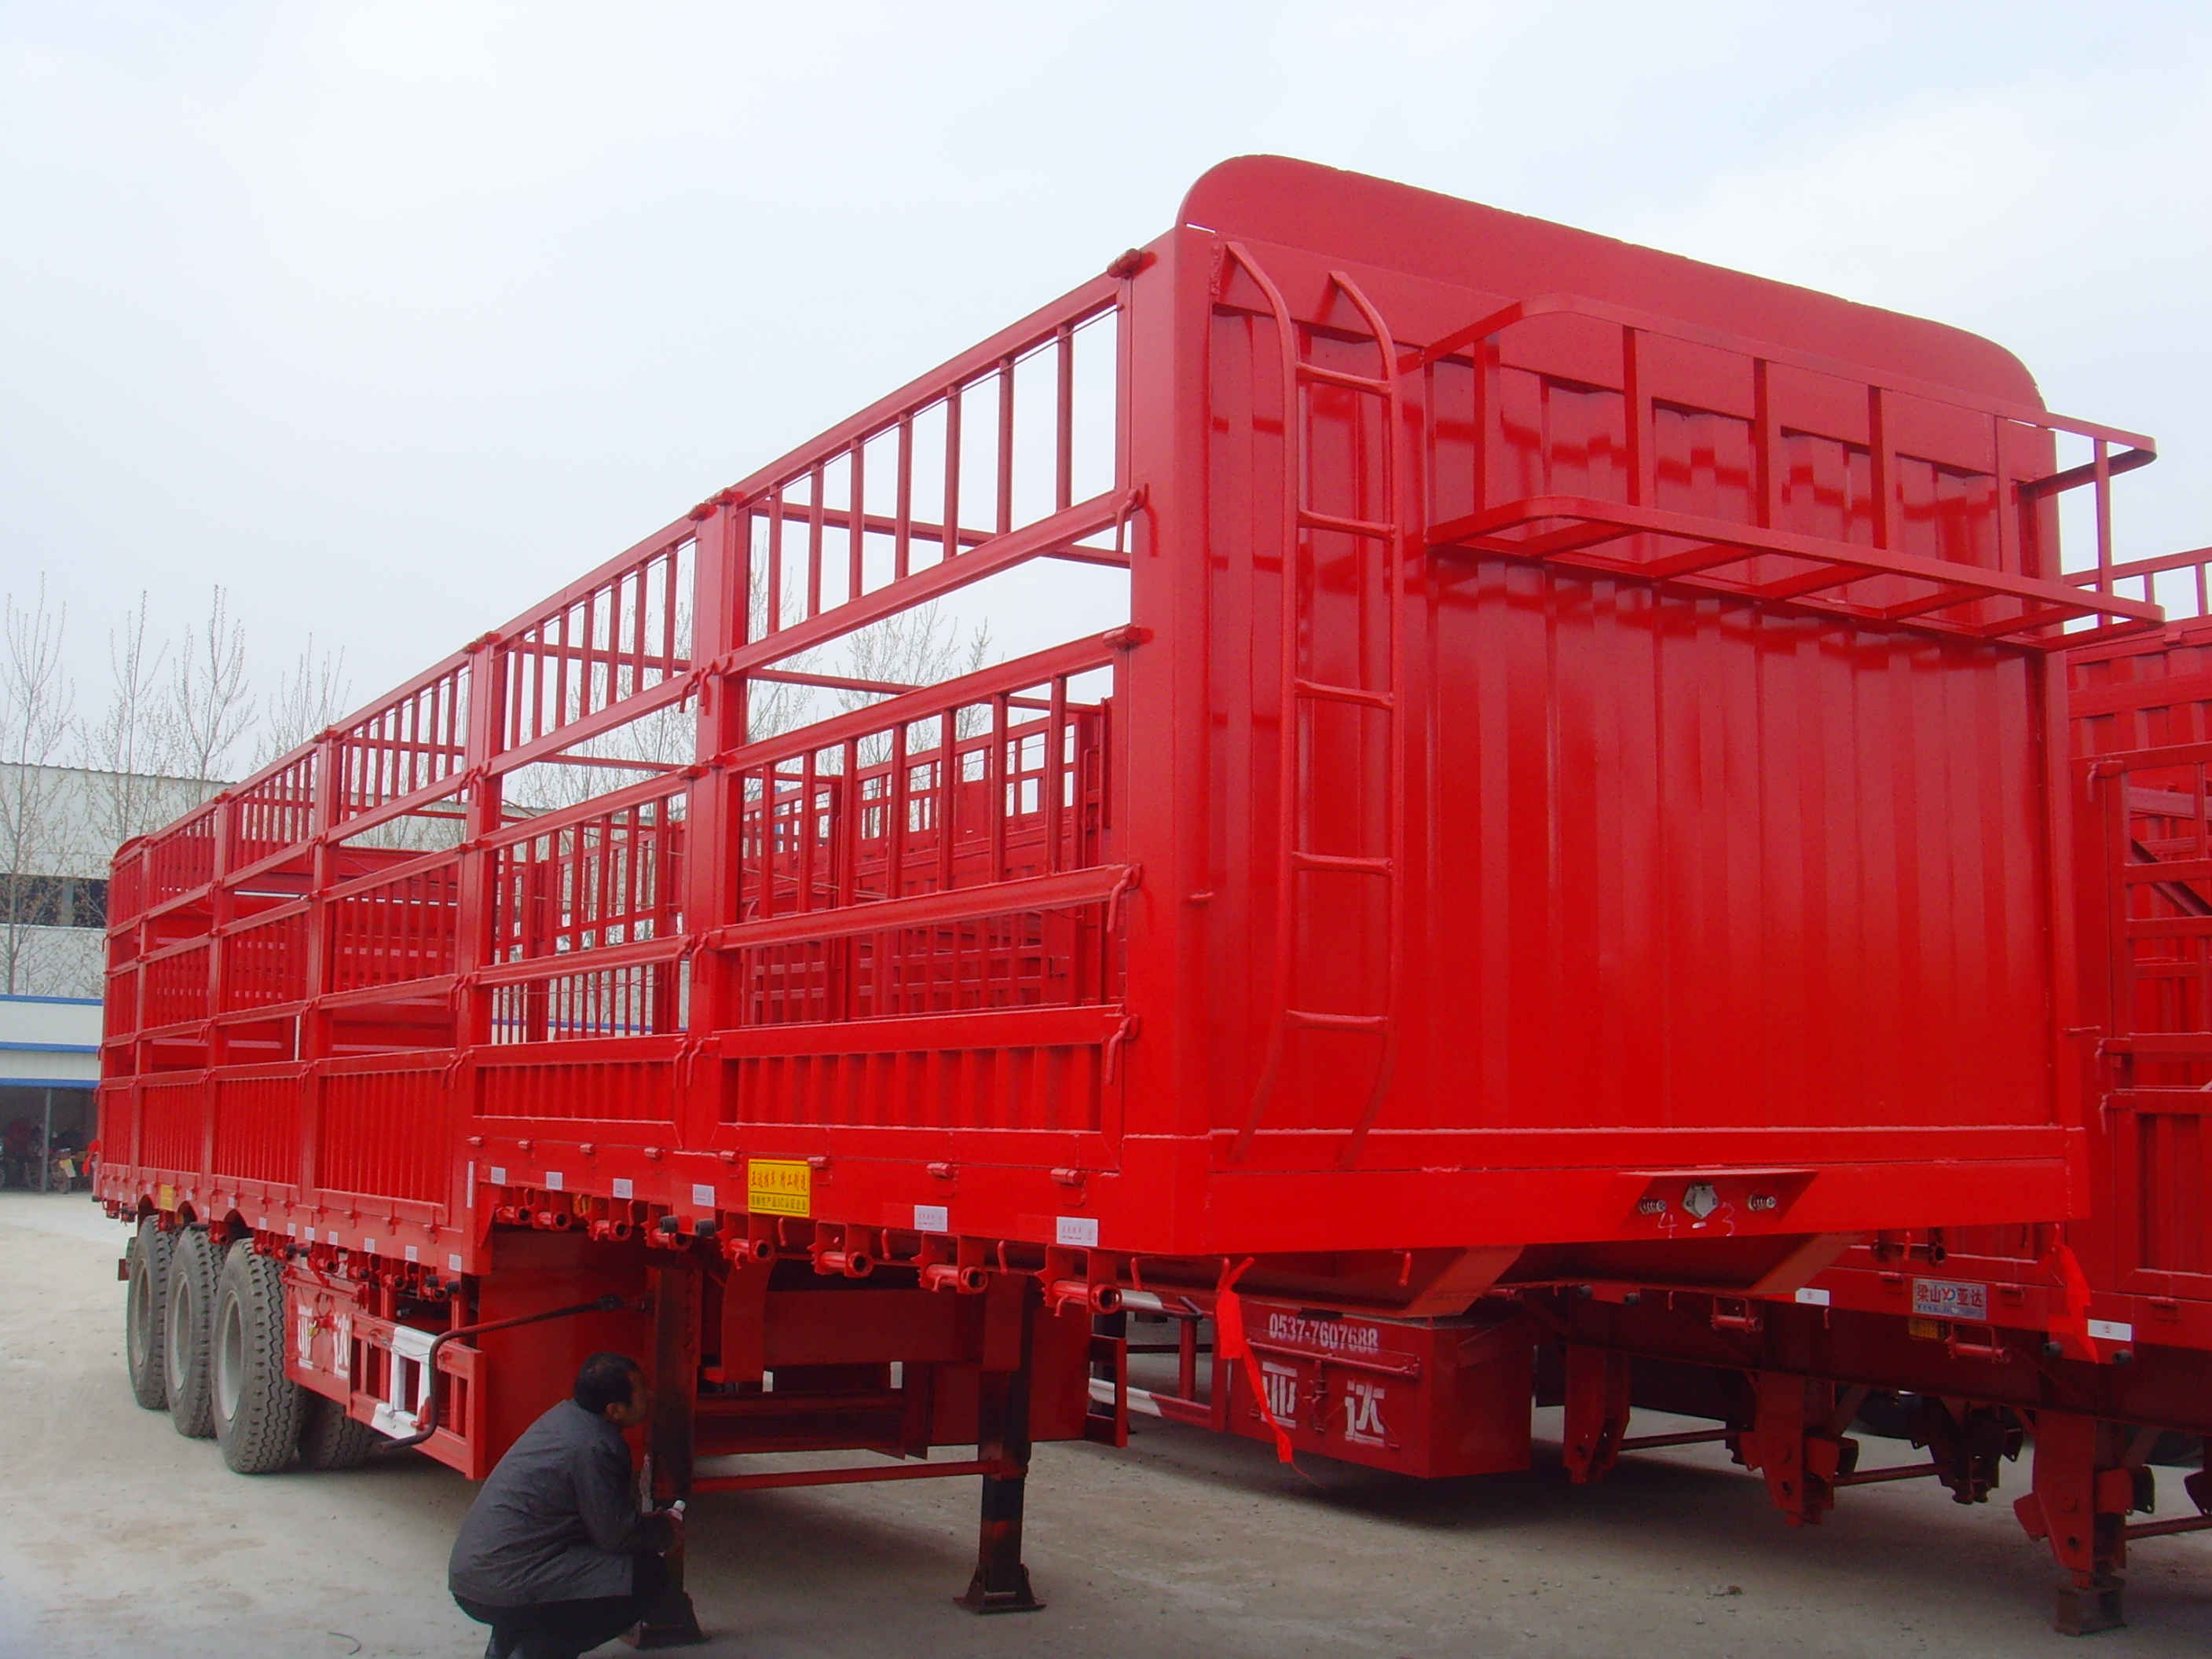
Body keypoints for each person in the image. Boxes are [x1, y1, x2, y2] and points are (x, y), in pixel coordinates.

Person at [449, 1353, 682, 1659]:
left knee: (547, 1573)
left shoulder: (562, 1419)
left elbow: (599, 1522)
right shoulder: (598, 1446)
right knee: (646, 1575)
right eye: (640, 1394)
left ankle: (504, 1648)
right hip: (500, 1586)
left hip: (474, 1577)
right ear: (614, 1410)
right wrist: (666, 1529)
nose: (648, 1397)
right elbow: (616, 1537)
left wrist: (640, 1525)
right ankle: (534, 1654)